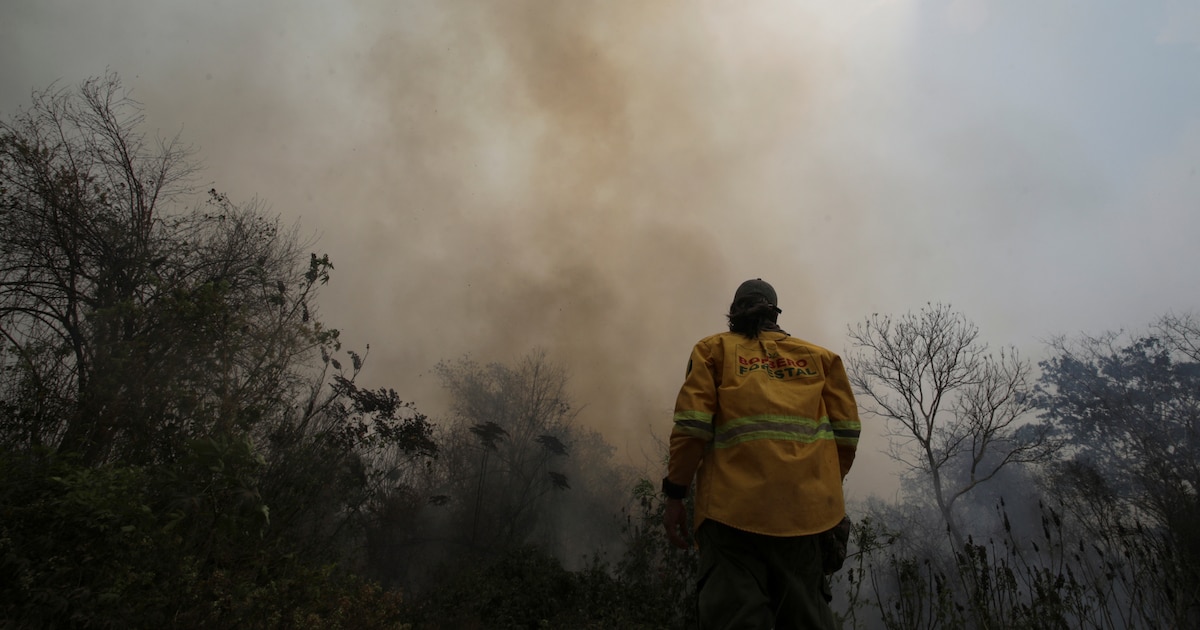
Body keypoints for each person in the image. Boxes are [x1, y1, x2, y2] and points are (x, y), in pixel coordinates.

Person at [662, 278, 861, 630]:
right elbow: (846, 434)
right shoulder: (821, 359)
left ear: (734, 313)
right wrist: (820, 488)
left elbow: (692, 427)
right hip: (805, 517)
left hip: (730, 517)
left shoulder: (712, 351)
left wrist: (675, 495)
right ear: (774, 311)